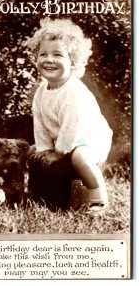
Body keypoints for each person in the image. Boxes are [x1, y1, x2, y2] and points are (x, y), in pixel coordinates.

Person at [27, 18, 113, 215]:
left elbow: (72, 127)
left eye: (57, 54)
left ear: (73, 62)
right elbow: (39, 121)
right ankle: (37, 195)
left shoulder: (73, 92)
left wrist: (58, 153)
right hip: (64, 139)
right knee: (33, 153)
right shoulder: (41, 90)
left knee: (80, 157)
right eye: (43, 54)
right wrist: (44, 149)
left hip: (90, 140)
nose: (49, 59)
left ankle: (99, 201)